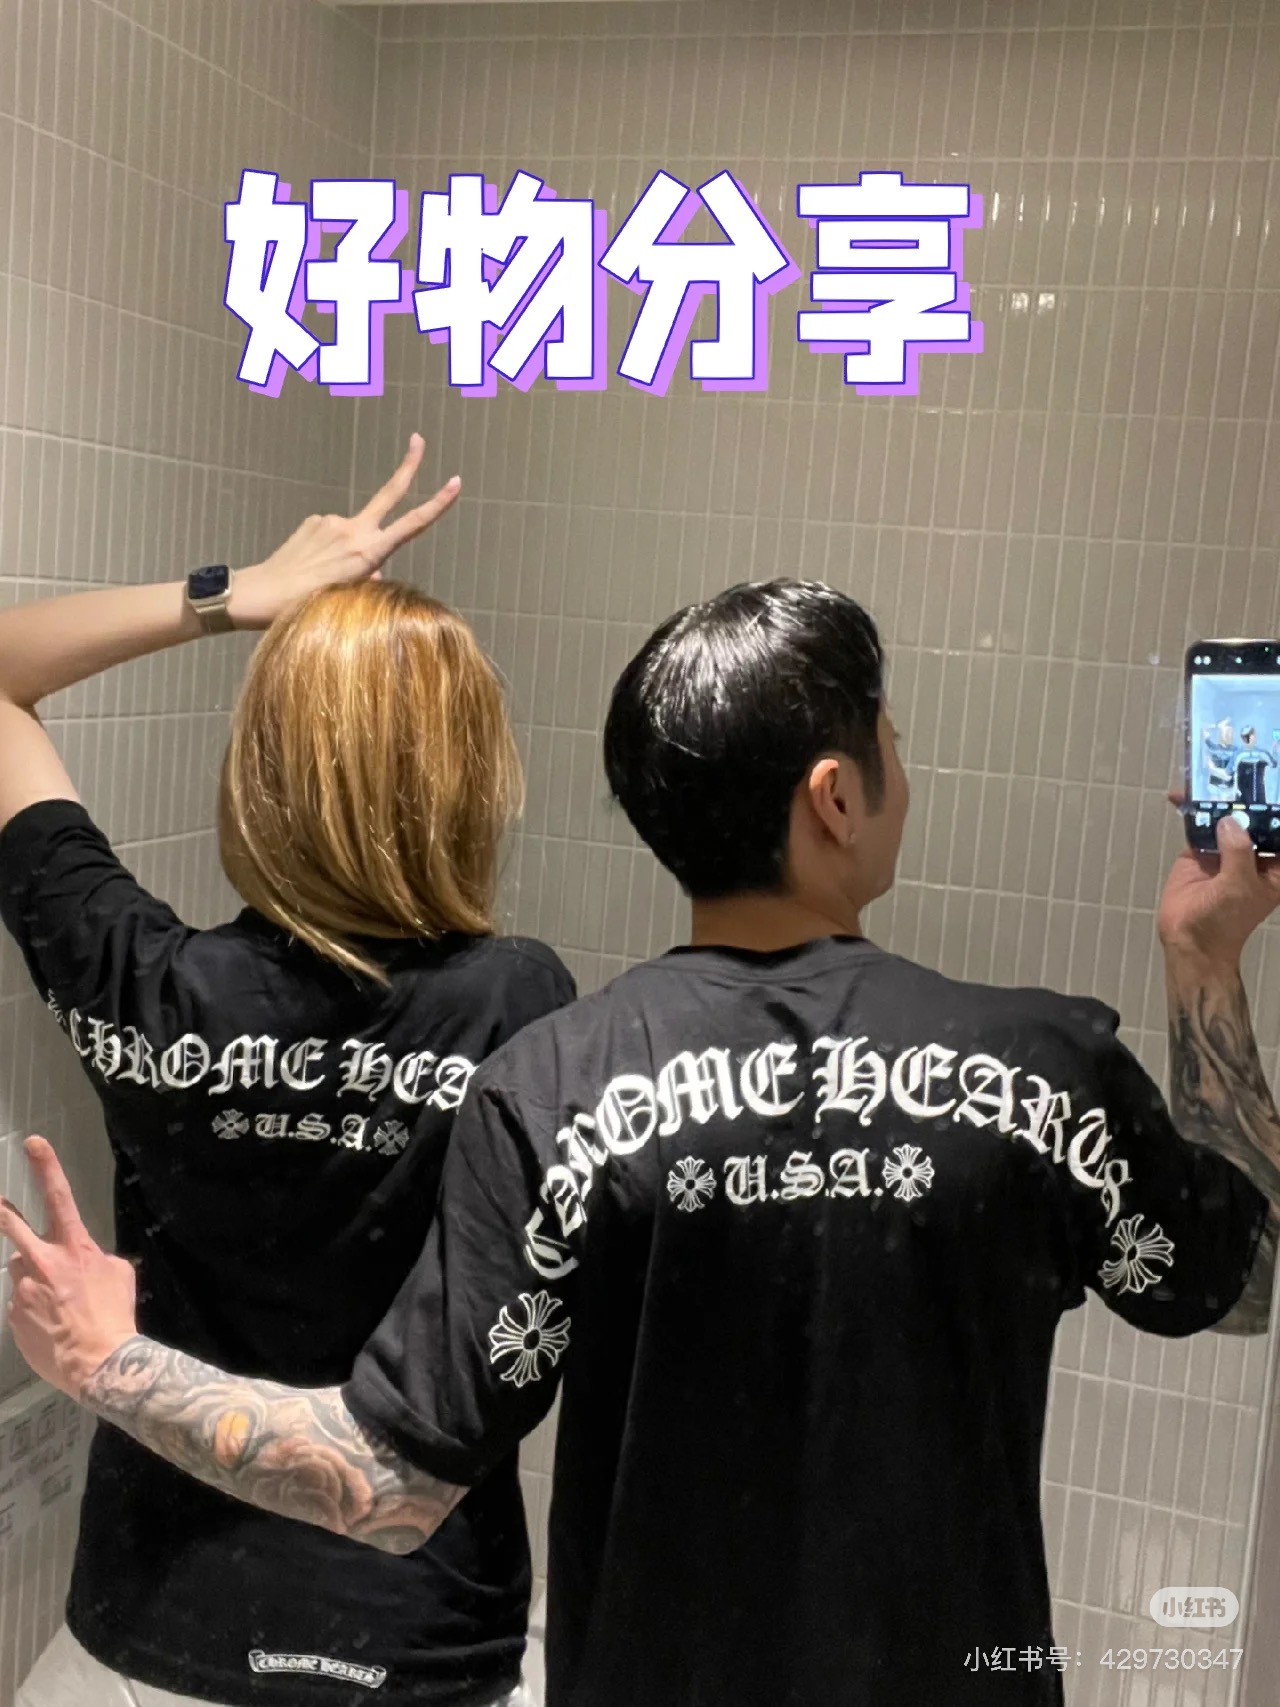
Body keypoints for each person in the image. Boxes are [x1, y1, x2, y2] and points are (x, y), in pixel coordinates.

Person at [5, 580, 1280, 1707]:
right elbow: (1238, 1283)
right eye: (891, 739)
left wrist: (112, 1362)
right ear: (835, 797)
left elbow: (388, 1483)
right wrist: (1203, 959)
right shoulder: (1039, 1071)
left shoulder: (561, 1085)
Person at [0, 438, 572, 1707]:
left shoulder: (149, 984)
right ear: (469, 784)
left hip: (160, 1613)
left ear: (257, 772)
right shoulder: (516, 999)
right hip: (421, 1630)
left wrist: (230, 597)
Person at [1233, 724, 1278, 808]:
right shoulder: (1262, 754)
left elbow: (1229, 771)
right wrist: (1274, 752)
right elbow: (1273, 764)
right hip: (1254, 797)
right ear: (1252, 736)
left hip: (1247, 797)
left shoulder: (1237, 755)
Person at [1202, 717, 1237, 798]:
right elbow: (1205, 730)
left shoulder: (1235, 751)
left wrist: (1214, 770)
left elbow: (1228, 775)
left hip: (1229, 789)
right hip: (1214, 786)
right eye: (1226, 732)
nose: (1228, 735)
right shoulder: (1213, 748)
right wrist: (1217, 726)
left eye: (1230, 733)